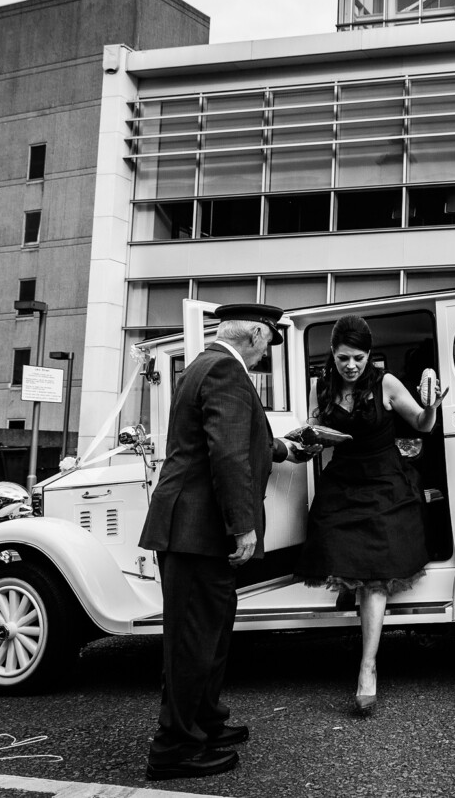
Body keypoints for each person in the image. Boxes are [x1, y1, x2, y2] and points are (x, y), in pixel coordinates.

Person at [139, 303, 301, 781]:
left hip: (193, 531)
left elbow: (236, 435)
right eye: (270, 339)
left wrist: (285, 447)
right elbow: (226, 453)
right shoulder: (227, 371)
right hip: (198, 532)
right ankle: (175, 749)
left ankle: (204, 722)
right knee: (192, 642)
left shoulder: (205, 365)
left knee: (208, 636)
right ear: (255, 332)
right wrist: (243, 526)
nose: (269, 350)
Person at [292, 315, 447, 716]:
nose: (351, 366)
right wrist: (308, 441)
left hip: (385, 482)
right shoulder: (320, 386)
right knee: (337, 550)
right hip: (342, 482)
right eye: (344, 358)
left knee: (375, 575)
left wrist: (431, 407)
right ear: (333, 354)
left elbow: (423, 425)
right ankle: (354, 591)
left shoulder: (388, 384)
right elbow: (314, 434)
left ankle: (367, 667)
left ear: (369, 355)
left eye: (358, 358)